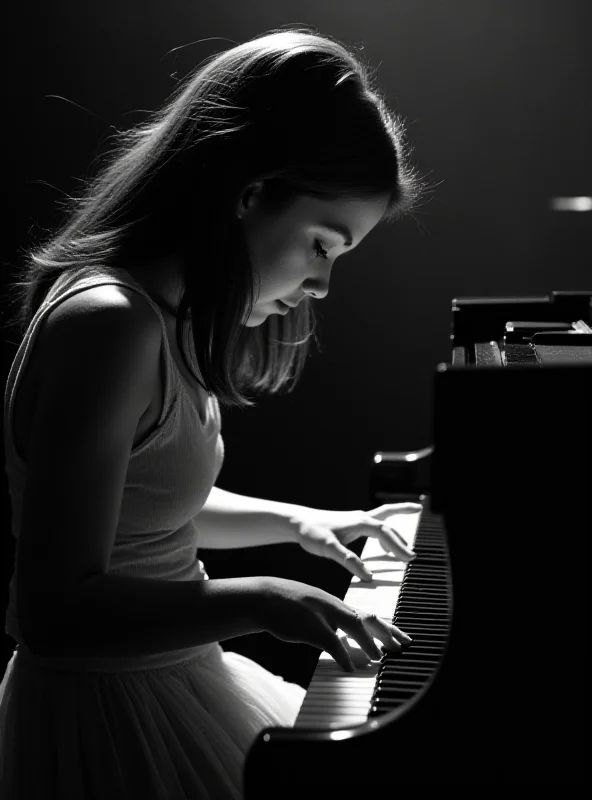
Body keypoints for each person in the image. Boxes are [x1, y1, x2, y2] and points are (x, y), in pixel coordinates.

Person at [0, 25, 431, 800]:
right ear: (250, 192)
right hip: (109, 709)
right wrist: (260, 600)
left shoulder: (160, 318)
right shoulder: (110, 323)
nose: (323, 286)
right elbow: (54, 613)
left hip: (170, 678)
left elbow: (148, 513)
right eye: (323, 246)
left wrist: (300, 523)